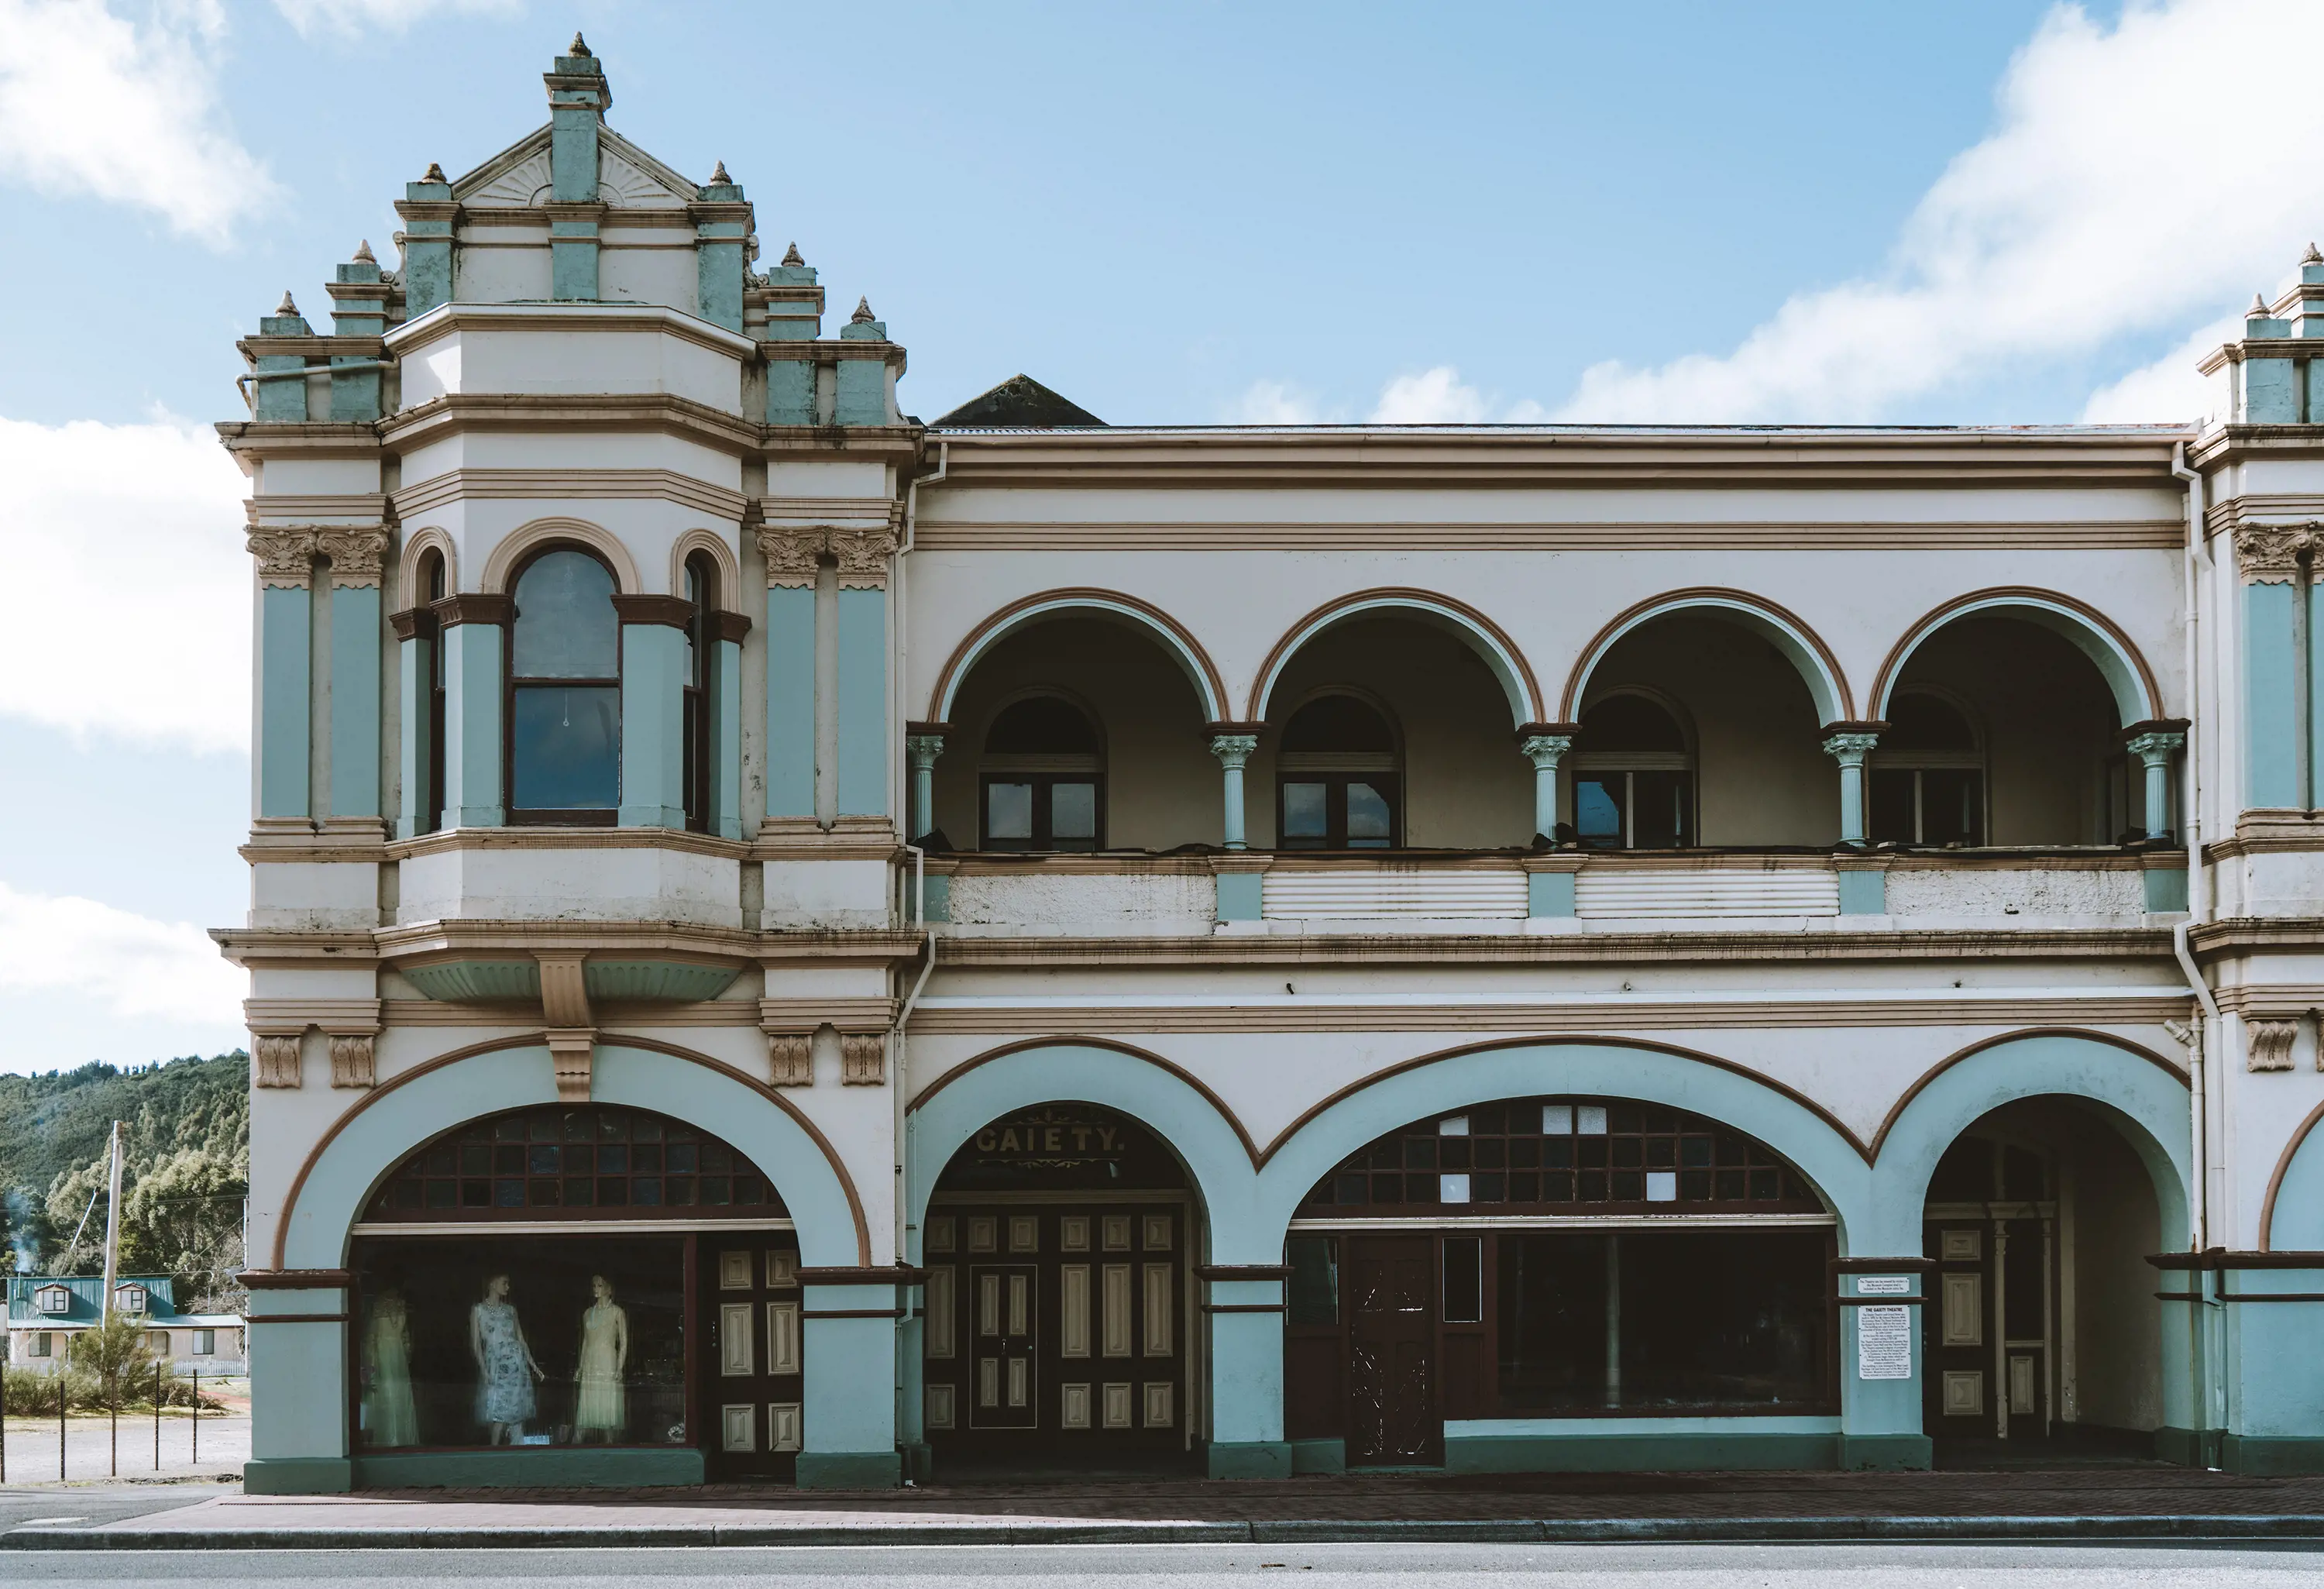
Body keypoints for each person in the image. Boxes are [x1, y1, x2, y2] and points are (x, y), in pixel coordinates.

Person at [469, 1272, 544, 1443]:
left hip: (516, 1364)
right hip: (495, 1365)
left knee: (515, 1415)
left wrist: (534, 1366)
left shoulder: (511, 1310)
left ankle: (516, 1452)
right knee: (498, 1415)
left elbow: (521, 1340)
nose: (508, 1287)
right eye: (504, 1283)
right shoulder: (478, 1310)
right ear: (492, 1283)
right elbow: (476, 1345)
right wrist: (484, 1370)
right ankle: (494, 1454)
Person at [573, 1274, 630, 1442]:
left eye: (600, 1285)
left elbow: (624, 1342)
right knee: (587, 1405)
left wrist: (620, 1367)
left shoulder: (617, 1312)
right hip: (591, 1361)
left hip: (607, 1361)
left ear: (609, 1289)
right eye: (594, 1286)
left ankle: (610, 1446)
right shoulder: (588, 1313)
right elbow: (585, 1341)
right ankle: (575, 1447)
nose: (596, 1289)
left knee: (607, 1405)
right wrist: (581, 1366)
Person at [361, 1288, 418, 1446]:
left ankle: (391, 1436)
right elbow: (406, 1339)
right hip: (395, 1351)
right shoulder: (399, 1306)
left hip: (385, 1351)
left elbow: (371, 1338)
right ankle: (396, 1436)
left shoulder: (379, 1307)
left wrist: (369, 1361)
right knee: (393, 1391)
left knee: (390, 1390)